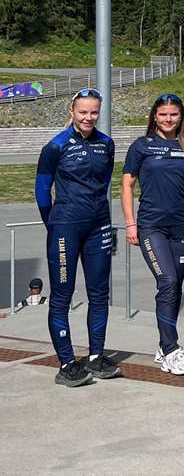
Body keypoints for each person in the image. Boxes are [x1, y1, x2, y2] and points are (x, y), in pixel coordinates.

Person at [35, 88, 120, 387]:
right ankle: (67, 363)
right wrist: (55, 224)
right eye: (83, 112)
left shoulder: (106, 144)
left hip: (99, 225)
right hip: (65, 227)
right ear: (72, 112)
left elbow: (103, 182)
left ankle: (96, 356)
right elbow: (42, 191)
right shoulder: (55, 146)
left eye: (94, 112)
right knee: (62, 296)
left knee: (99, 294)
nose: (88, 117)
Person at [123, 93, 184, 376]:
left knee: (174, 287)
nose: (168, 119)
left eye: (173, 115)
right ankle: (171, 350)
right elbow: (127, 185)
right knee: (167, 282)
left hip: (182, 227)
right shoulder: (141, 146)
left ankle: (162, 345)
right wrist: (130, 223)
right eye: (163, 115)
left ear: (181, 117)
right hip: (151, 226)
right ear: (154, 117)